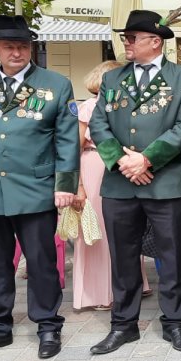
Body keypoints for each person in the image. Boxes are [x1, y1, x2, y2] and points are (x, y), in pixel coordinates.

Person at [0, 14, 79, 360]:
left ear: (31, 47)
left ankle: (48, 325)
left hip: (36, 190)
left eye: (22, 46)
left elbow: (67, 141)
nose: (17, 52)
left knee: (41, 262)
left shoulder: (56, 84)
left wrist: (65, 185)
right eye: (9, 46)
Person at [87, 10, 181, 355]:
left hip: (164, 183)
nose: (126, 43)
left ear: (155, 41)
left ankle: (175, 323)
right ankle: (123, 325)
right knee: (122, 257)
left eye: (131, 38)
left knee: (174, 254)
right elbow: (98, 124)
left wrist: (146, 159)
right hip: (120, 184)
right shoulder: (112, 79)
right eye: (126, 38)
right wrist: (123, 161)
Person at [74, 60, 125, 311]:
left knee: (122, 227)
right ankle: (97, 293)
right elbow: (76, 146)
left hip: (119, 165)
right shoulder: (88, 107)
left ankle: (127, 285)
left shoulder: (122, 105)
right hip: (94, 164)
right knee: (96, 229)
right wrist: (79, 186)